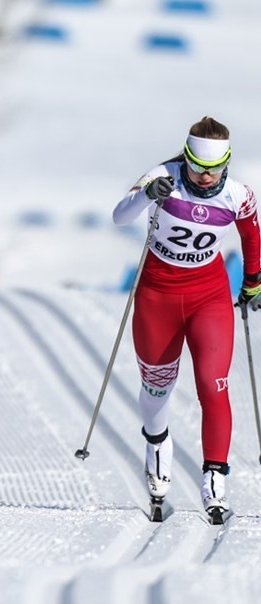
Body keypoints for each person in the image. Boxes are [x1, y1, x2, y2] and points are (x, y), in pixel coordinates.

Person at [112, 116, 261, 522]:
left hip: (208, 297)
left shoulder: (238, 195)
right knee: (157, 388)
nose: (205, 176)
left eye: (214, 168)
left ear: (227, 163)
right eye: (197, 166)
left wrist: (253, 281)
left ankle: (215, 477)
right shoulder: (163, 176)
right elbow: (120, 218)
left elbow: (251, 235)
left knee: (214, 386)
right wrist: (146, 195)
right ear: (186, 157)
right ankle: (157, 443)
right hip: (157, 295)